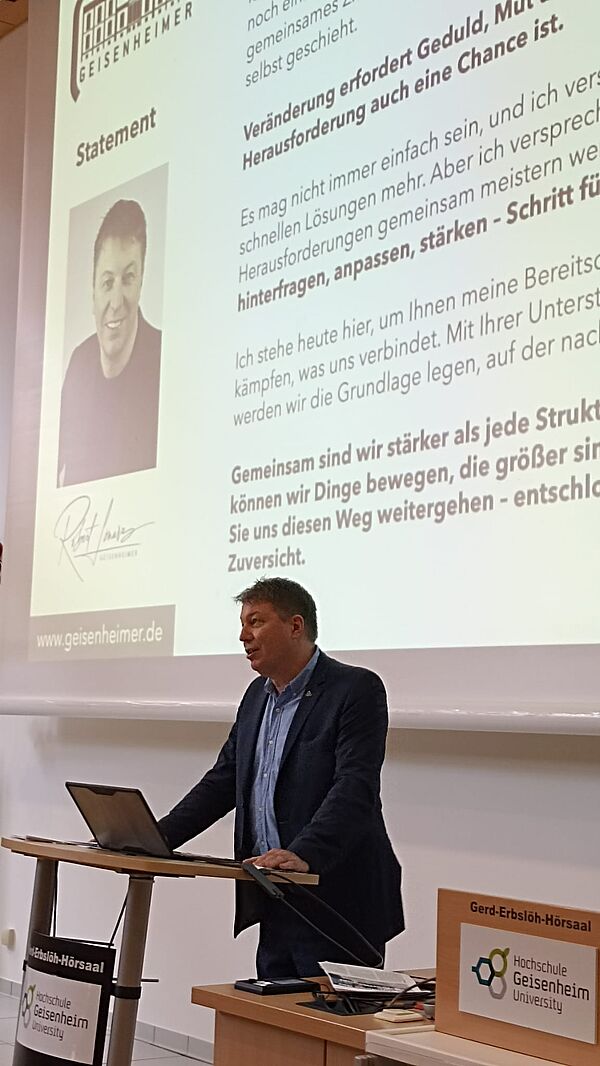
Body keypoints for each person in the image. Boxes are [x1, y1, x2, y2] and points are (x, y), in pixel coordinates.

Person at [159, 577, 404, 978]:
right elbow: (224, 781)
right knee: (272, 1013)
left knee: (331, 1017)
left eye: (255, 622)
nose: (243, 636)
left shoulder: (355, 689)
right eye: (242, 624)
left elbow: (355, 786)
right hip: (274, 894)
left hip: (336, 898)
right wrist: (156, 838)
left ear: (295, 626)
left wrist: (305, 853)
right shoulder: (256, 697)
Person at [57, 198, 161, 486]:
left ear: (141, 282)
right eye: (107, 283)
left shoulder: (165, 362)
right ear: (93, 292)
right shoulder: (78, 363)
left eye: (128, 279)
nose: (116, 302)